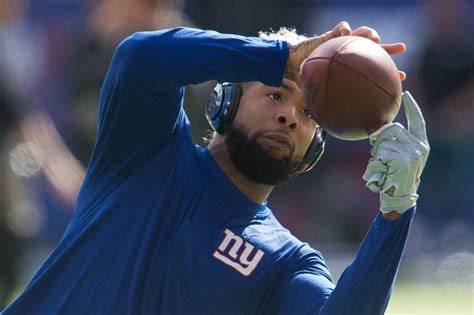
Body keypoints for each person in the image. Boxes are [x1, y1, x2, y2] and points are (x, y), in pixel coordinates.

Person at [3, 21, 429, 314]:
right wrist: (283, 57)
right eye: (276, 94)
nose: (291, 117)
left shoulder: (287, 263)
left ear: (312, 152)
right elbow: (140, 57)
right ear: (224, 103)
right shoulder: (146, 152)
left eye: (309, 112)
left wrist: (395, 212)